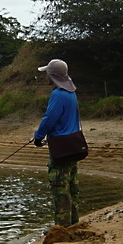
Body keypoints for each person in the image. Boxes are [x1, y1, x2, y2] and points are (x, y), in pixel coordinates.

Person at [33, 59, 81, 226]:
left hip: (60, 150)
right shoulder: (71, 93)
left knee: (60, 191)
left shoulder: (57, 94)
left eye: (46, 73)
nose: (44, 76)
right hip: (74, 146)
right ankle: (74, 224)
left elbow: (49, 119)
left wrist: (38, 136)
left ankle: (62, 228)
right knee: (72, 188)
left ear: (52, 75)